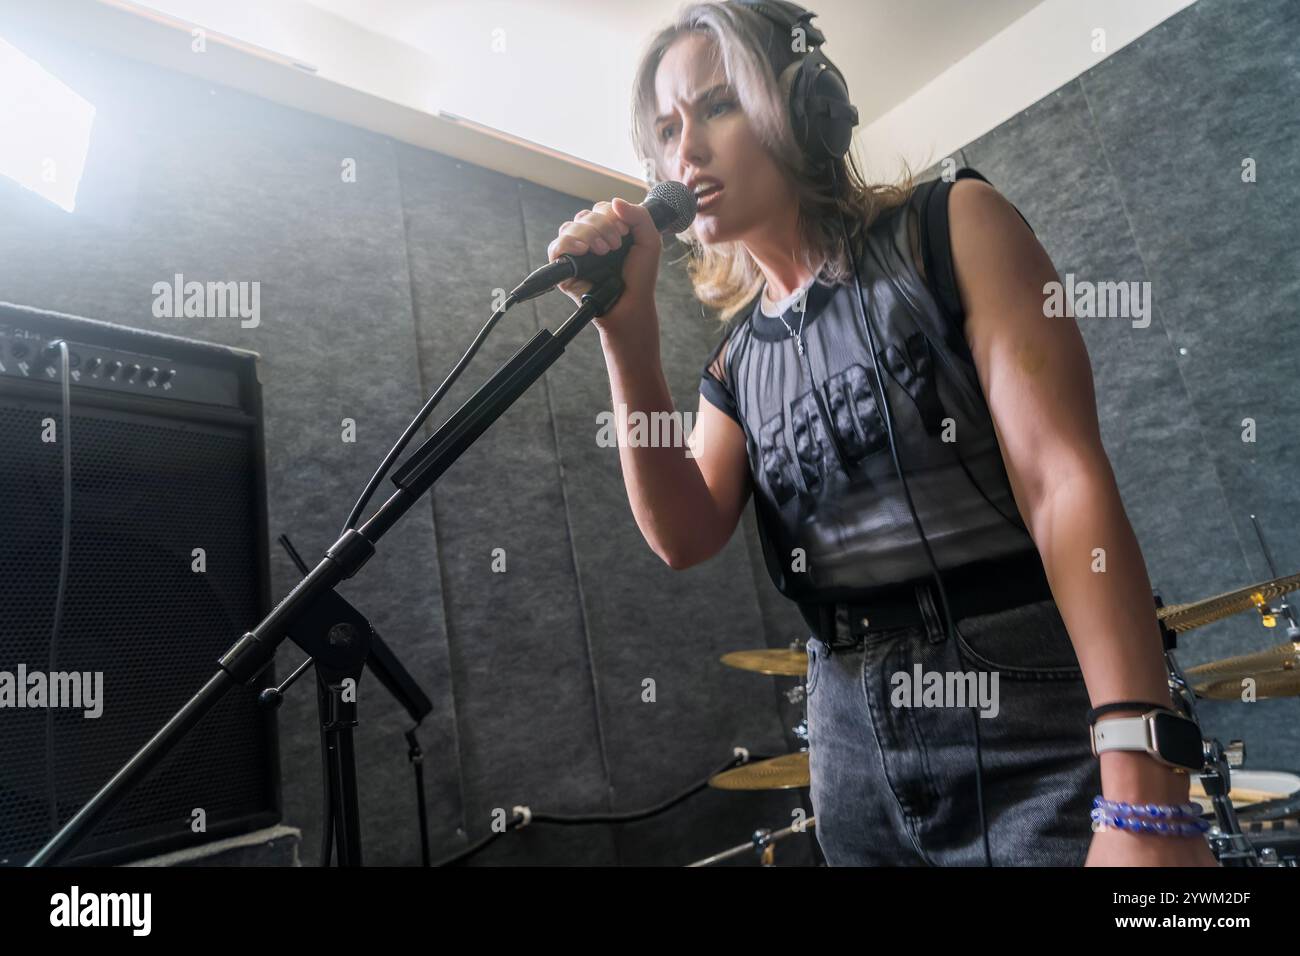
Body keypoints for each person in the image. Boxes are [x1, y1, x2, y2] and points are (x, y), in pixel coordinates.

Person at [547, 0, 1217, 866]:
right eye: (668, 130)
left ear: (805, 102)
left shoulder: (951, 225)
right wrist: (627, 334)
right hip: (847, 732)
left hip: (1023, 696)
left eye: (716, 105)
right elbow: (682, 534)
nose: (687, 152)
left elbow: (1063, 487)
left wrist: (1143, 795)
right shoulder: (736, 364)